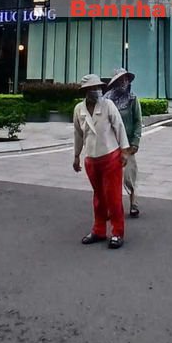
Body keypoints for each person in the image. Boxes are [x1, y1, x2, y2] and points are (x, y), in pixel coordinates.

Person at [73, 73, 130, 249]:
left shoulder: (108, 105)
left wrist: (124, 150)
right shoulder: (79, 109)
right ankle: (99, 230)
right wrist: (76, 155)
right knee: (98, 197)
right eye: (92, 88)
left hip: (111, 156)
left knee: (113, 197)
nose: (96, 91)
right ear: (86, 91)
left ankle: (117, 232)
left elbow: (119, 126)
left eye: (97, 87)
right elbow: (78, 134)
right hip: (91, 159)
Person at [105, 67, 143, 218]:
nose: (123, 82)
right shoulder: (107, 100)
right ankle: (111, 207)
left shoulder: (132, 99)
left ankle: (134, 203)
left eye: (126, 79)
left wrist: (135, 142)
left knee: (129, 176)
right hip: (111, 144)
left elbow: (138, 121)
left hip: (127, 145)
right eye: (121, 80)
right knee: (111, 179)